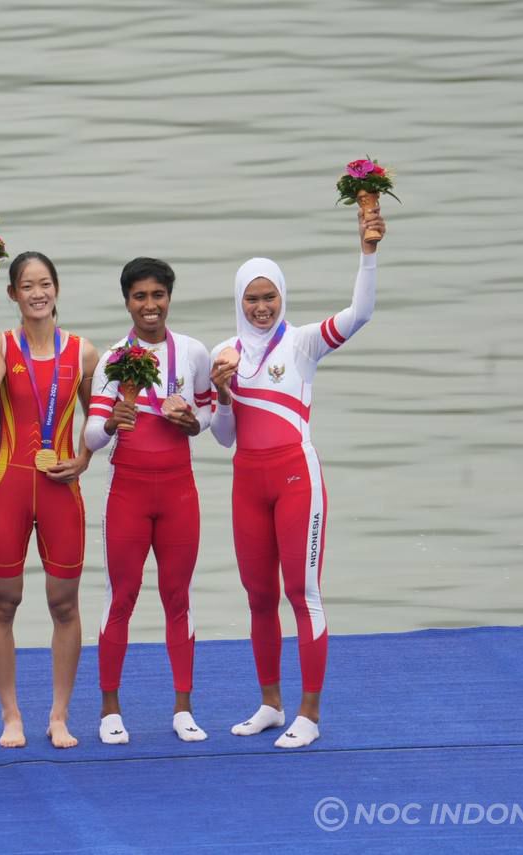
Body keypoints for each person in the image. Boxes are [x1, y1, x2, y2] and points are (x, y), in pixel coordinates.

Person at [209, 205, 386, 748]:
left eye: (270, 297)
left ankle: (308, 714)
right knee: (259, 596)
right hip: (247, 483)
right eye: (252, 299)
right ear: (239, 302)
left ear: (282, 297)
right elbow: (223, 437)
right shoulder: (223, 355)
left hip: (295, 480)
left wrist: (368, 252)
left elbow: (360, 313)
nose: (262, 307)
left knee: (301, 592)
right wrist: (221, 393)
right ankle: (270, 704)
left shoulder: (304, 342)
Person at [0, 251, 99, 749]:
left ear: (56, 289)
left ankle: (59, 714)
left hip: (62, 488)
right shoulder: (0, 345)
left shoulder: (83, 353)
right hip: (9, 487)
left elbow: (96, 419)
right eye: (27, 286)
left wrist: (83, 459)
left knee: (64, 604)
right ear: (13, 294)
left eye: (45, 284)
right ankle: (11, 714)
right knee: (4, 602)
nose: (37, 293)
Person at [83, 258, 214, 746]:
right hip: (128, 492)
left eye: (158, 295)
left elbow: (208, 414)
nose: (150, 305)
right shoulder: (113, 360)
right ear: (127, 302)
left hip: (179, 491)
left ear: (169, 298)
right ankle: (109, 710)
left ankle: (183, 709)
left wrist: (193, 423)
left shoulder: (194, 352)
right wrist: (113, 420)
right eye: (140, 296)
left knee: (178, 597)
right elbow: (91, 437)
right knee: (122, 596)